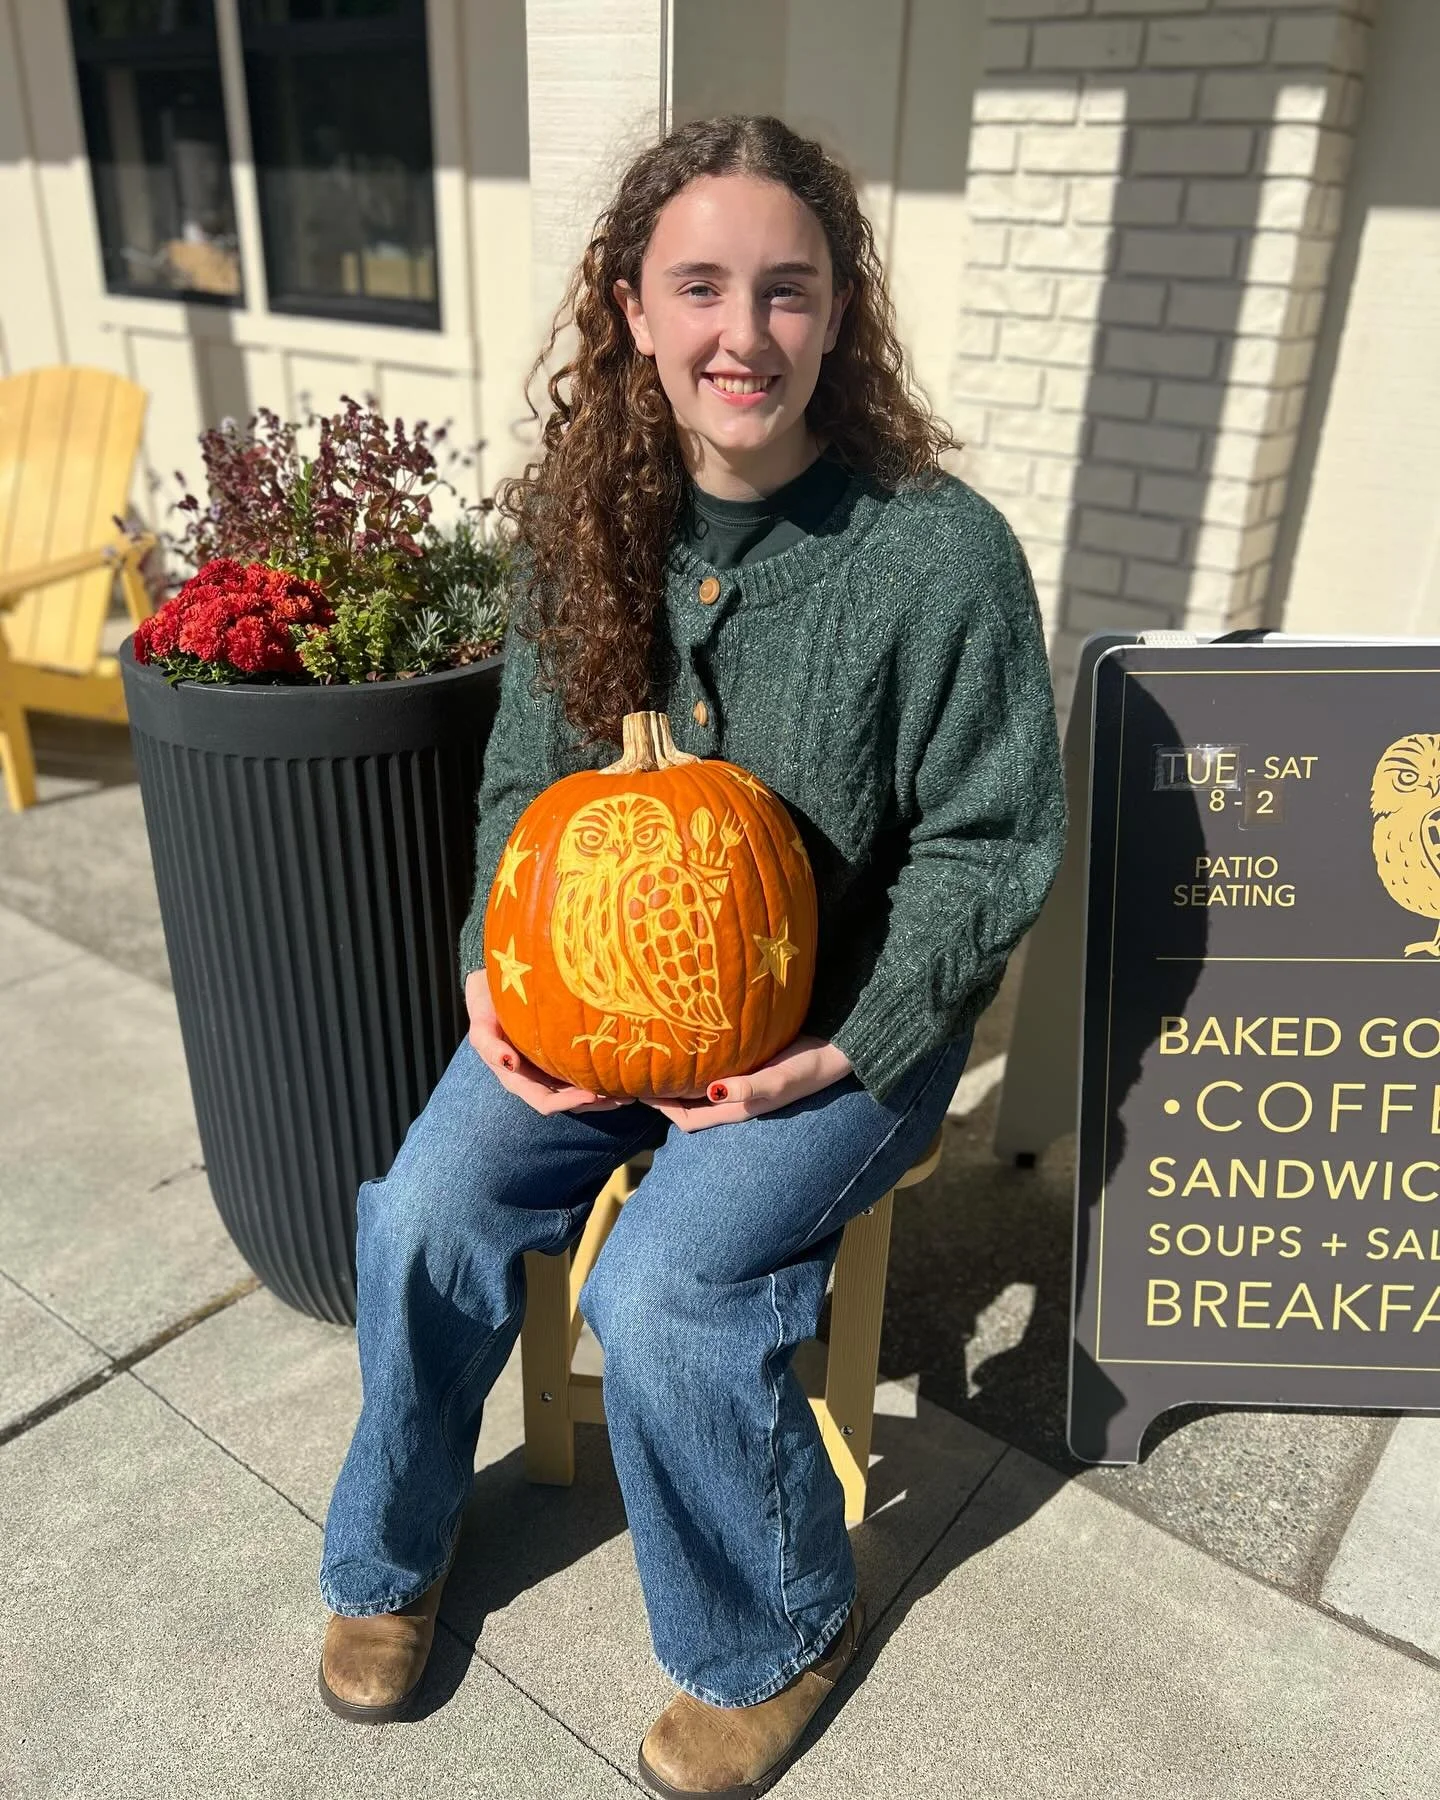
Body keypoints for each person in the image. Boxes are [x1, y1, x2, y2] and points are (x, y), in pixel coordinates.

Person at [316, 113, 1066, 1797]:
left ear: (838, 314)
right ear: (635, 310)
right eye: (703, 287)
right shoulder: (584, 528)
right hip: (589, 1007)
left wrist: (854, 1041)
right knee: (425, 1208)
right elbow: (524, 787)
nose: (746, 333)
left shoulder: (936, 555)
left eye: (788, 291)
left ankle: (774, 1628)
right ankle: (391, 1550)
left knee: (663, 1288)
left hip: (849, 1024)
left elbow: (989, 841)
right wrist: (492, 978)